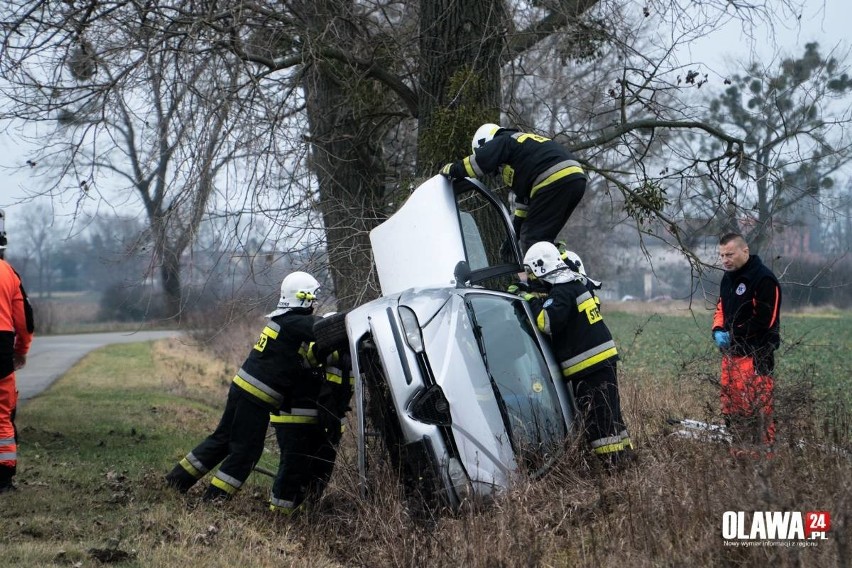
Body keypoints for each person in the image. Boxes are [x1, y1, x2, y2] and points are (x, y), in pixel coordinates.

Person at [165, 271, 321, 501]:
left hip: (242, 388)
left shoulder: (283, 320)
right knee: (246, 451)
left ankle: (176, 481)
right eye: (313, 300)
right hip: (256, 398)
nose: (314, 306)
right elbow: (324, 328)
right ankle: (215, 499)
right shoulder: (296, 322)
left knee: (222, 439)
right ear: (304, 298)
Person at [521, 241, 633, 468]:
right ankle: (624, 457)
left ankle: (610, 466)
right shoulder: (573, 284)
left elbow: (547, 322)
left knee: (598, 419)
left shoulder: (562, 291)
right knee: (611, 412)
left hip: (589, 366)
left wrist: (530, 301)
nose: (531, 278)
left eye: (532, 272)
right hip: (602, 361)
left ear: (540, 267)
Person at [440, 123, 587, 253]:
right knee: (543, 238)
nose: (496, 172)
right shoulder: (521, 149)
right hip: (575, 179)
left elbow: (481, 161)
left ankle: (539, 283)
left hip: (553, 179)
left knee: (532, 237)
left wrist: (453, 169)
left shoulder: (504, 140)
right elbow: (524, 204)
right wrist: (514, 237)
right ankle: (564, 266)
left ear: (486, 144)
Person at [712, 233, 781, 447]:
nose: (725, 260)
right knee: (731, 409)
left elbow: (764, 320)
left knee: (757, 410)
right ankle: (739, 454)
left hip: (755, 358)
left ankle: (762, 458)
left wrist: (733, 335)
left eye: (730, 254)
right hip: (731, 356)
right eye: (722, 255)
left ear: (745, 251)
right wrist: (716, 329)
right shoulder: (727, 277)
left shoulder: (764, 279)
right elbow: (721, 307)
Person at [269, 349, 354, 515]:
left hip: (324, 421)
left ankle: (304, 514)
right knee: (293, 467)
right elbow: (309, 357)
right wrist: (337, 345)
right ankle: (279, 515)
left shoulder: (353, 350)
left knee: (320, 470)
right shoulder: (316, 334)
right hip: (294, 415)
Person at [0, 213, 35, 494]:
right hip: (0, 348)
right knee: (2, 414)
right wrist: (21, 350)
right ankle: (3, 480)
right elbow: (24, 319)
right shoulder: (7, 272)